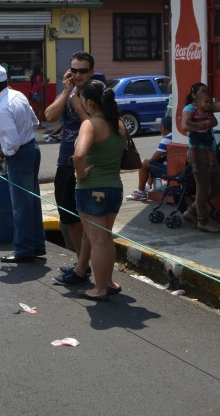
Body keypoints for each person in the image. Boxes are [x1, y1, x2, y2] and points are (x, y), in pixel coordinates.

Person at [70, 81, 126, 301]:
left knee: (98, 240)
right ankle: (109, 282)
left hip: (92, 188)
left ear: (89, 102)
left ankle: (100, 288)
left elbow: (79, 155)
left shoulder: (91, 125)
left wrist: (81, 174)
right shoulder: (119, 123)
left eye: (82, 100)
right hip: (115, 187)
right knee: (106, 237)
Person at [0, 64, 43, 263]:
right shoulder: (19, 95)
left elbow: (14, 144)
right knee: (32, 202)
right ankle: (35, 245)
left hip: (20, 155)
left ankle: (24, 250)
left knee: (20, 206)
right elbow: (35, 122)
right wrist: (5, 137)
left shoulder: (1, 108)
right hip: (32, 148)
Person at [47, 51, 95, 285]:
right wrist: (66, 92)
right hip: (65, 162)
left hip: (88, 165)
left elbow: (96, 125)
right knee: (68, 217)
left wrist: (77, 106)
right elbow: (49, 115)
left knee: (87, 220)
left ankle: (84, 268)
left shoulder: (97, 93)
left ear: (91, 72)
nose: (77, 75)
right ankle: (81, 265)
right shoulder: (70, 93)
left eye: (82, 70)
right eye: (73, 70)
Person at [180, 88, 220, 233]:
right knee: (202, 188)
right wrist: (201, 125)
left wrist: (207, 122)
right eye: (205, 100)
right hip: (197, 152)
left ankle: (192, 211)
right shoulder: (190, 110)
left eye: (209, 101)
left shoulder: (209, 111)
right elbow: (185, 125)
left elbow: (214, 122)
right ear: (196, 99)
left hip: (210, 148)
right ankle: (202, 220)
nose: (208, 103)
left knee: (217, 186)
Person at [128, 115, 171, 201]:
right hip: (178, 168)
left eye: (160, 126)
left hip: (171, 171)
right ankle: (147, 186)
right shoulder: (176, 136)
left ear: (164, 127)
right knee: (153, 163)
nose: (159, 128)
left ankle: (140, 192)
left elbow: (154, 158)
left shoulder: (167, 139)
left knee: (145, 164)